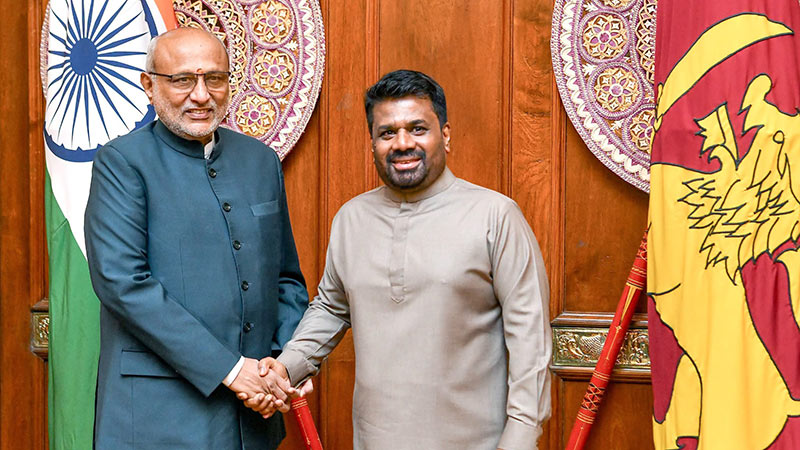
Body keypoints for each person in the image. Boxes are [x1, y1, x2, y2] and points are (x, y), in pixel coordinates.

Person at [248, 70, 552, 450]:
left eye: (417, 129)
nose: (403, 143)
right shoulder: (351, 218)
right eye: (387, 133)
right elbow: (331, 308)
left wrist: (521, 436)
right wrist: (287, 366)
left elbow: (530, 338)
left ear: (446, 135)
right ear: (373, 143)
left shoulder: (495, 216)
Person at [84, 27, 308, 450]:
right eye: (182, 79)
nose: (202, 95)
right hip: (156, 419)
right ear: (149, 85)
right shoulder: (121, 162)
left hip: (253, 418)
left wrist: (279, 366)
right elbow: (123, 283)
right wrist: (232, 370)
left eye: (215, 79)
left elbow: (286, 279)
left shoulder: (260, 160)